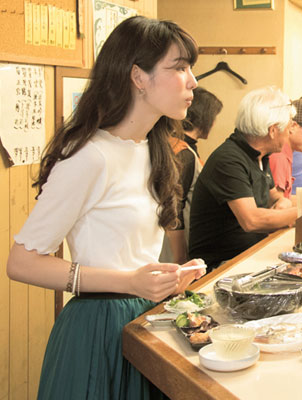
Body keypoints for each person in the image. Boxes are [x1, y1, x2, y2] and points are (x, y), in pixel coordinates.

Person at [6, 16, 206, 399]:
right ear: (138, 77)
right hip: (96, 329)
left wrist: (166, 278)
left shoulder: (155, 149)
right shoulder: (90, 157)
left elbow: (131, 253)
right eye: (179, 68)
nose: (192, 81)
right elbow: (22, 262)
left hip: (145, 321)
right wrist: (130, 282)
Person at [188, 86, 298, 271]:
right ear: (272, 130)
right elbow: (252, 220)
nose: (289, 135)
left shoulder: (260, 156)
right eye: (288, 129)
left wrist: (284, 203)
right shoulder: (229, 159)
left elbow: (275, 196)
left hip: (251, 253)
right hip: (221, 265)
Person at [162, 87, 223, 264]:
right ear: (204, 118)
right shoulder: (183, 153)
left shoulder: (176, 145)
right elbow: (176, 207)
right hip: (176, 244)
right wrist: (180, 257)